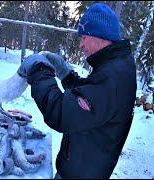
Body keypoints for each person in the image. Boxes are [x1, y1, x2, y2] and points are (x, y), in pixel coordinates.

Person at [17, 2, 137, 179]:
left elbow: (61, 113)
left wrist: (39, 71)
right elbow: (91, 98)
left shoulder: (113, 76)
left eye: (83, 37)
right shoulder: (114, 66)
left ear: (99, 35)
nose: (80, 45)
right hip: (85, 167)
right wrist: (66, 75)